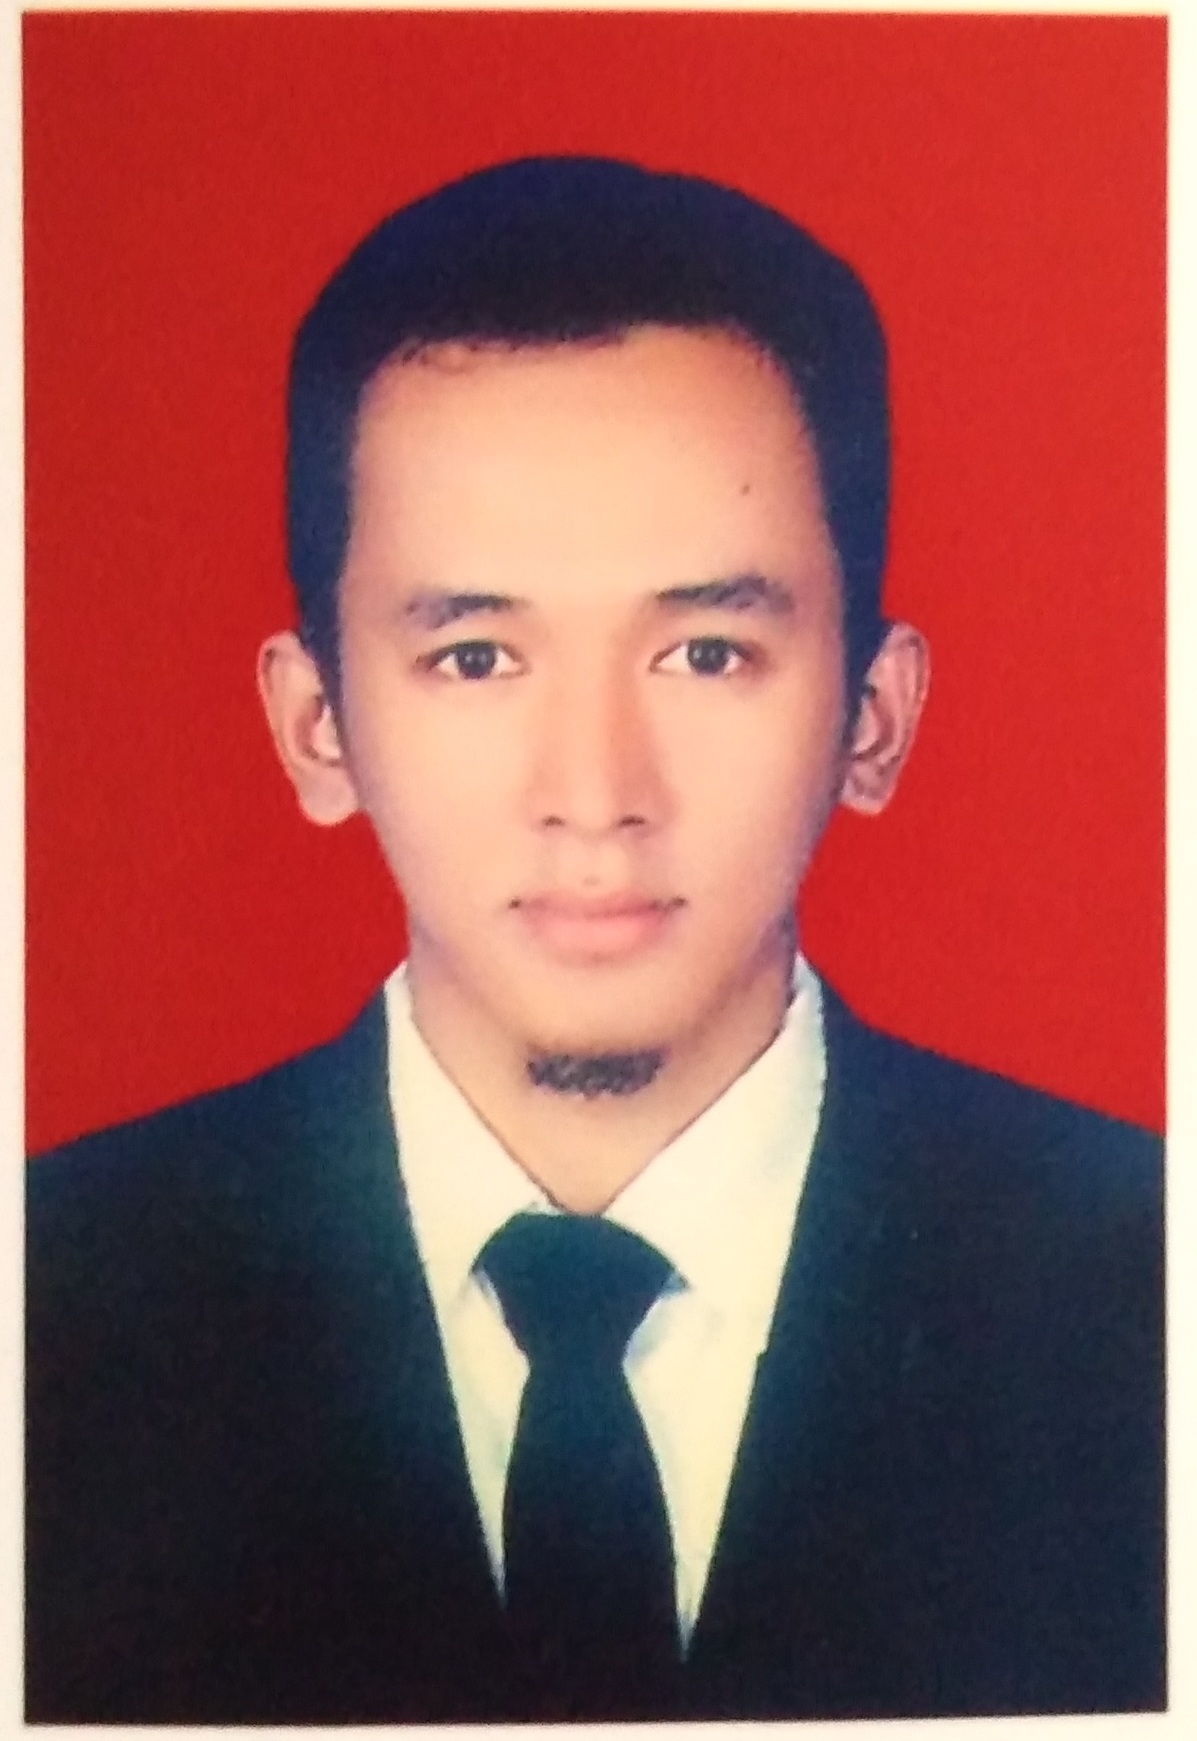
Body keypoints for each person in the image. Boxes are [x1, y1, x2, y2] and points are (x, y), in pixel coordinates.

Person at [25, 156, 1164, 1724]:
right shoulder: (47, 1309)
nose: (594, 793)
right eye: (475, 655)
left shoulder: (1144, 1297)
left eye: (705, 651)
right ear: (315, 725)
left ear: (873, 715)